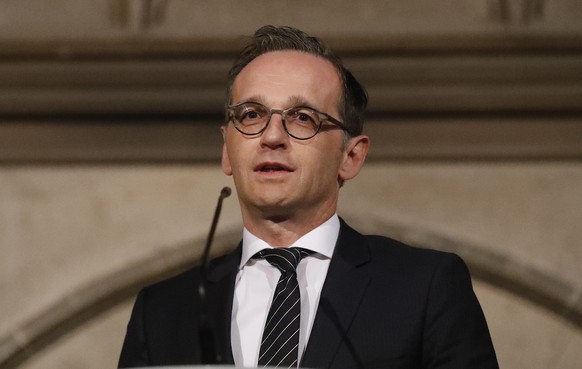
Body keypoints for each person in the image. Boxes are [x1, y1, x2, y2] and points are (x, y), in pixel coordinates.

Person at [118, 25, 499, 369]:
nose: (271, 137)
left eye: (302, 118)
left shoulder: (425, 286)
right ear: (225, 151)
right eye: (251, 115)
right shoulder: (164, 309)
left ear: (351, 157)